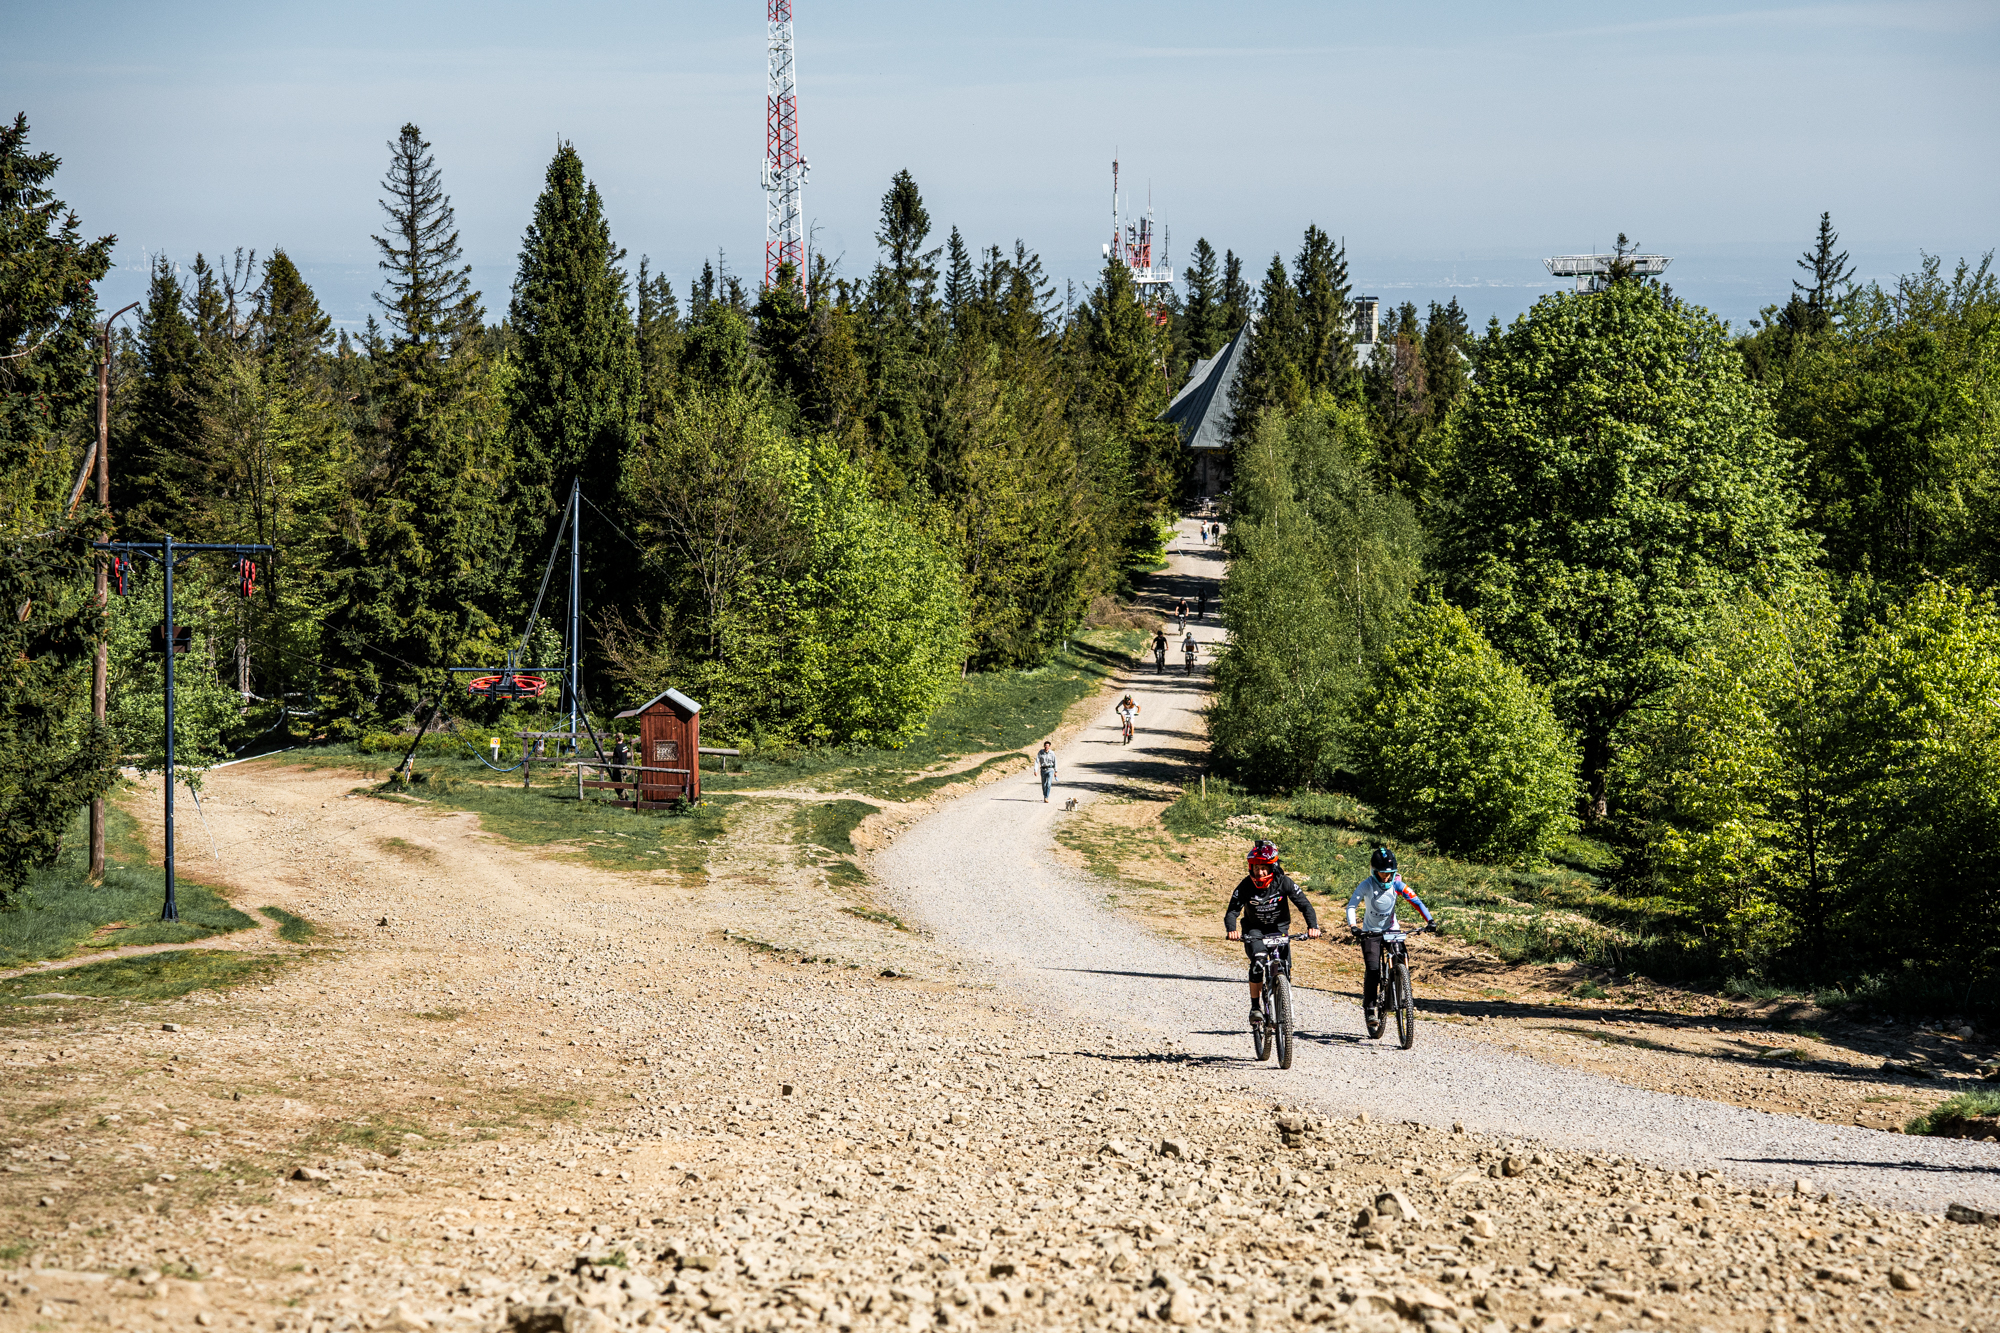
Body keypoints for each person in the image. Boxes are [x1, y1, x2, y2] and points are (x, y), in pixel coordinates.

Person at [1224, 840, 1320, 1032]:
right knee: (1258, 962)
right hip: (1254, 930)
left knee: (1284, 968)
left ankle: (1281, 1002)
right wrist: (1231, 930)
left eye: (1263, 868)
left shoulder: (1284, 882)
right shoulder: (1245, 886)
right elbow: (1232, 911)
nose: (1259, 873)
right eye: (1256, 868)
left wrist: (1313, 927)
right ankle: (1255, 1008)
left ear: (1272, 867)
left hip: (1278, 928)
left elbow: (1305, 905)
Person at [1344, 846, 1437, 1031]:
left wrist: (1430, 920)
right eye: (1382, 873)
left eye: (1389, 873)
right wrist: (1353, 926)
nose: (1386, 877)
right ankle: (1370, 1008)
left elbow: (1416, 901)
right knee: (1372, 970)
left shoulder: (1397, 884)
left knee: (1401, 957)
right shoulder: (1367, 885)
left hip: (1392, 929)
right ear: (1374, 871)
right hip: (1371, 932)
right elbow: (1352, 905)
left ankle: (1401, 988)